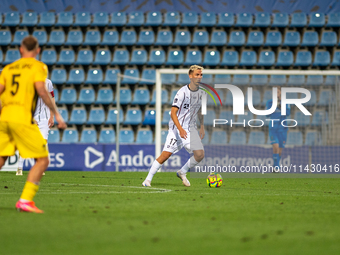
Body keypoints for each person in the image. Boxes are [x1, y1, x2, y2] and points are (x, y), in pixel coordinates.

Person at [0, 36, 66, 213]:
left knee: (2, 157)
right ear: (38, 51)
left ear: (20, 50)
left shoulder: (8, 69)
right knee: (43, 159)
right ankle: (25, 200)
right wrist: (57, 114)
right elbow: (42, 92)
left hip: (5, 118)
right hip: (22, 118)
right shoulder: (38, 67)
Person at [142, 65, 206, 187]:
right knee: (166, 154)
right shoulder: (182, 92)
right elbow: (173, 112)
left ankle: (182, 172)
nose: (199, 77)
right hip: (178, 128)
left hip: (191, 129)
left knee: (200, 154)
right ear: (190, 76)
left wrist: (202, 125)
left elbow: (200, 110)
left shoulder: (202, 93)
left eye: (201, 75)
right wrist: (180, 129)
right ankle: (147, 180)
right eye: (197, 74)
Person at [16, 78, 55, 176]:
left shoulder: (48, 82)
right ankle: (19, 167)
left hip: (45, 118)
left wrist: (52, 116)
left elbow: (52, 98)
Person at [266, 87, 290, 172]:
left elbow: (288, 113)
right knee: (275, 146)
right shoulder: (270, 102)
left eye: (277, 92)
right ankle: (276, 167)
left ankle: (276, 165)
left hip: (282, 129)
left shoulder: (285, 102)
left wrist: (280, 105)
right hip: (273, 128)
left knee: (279, 149)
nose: (276, 93)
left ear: (280, 93)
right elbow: (267, 114)